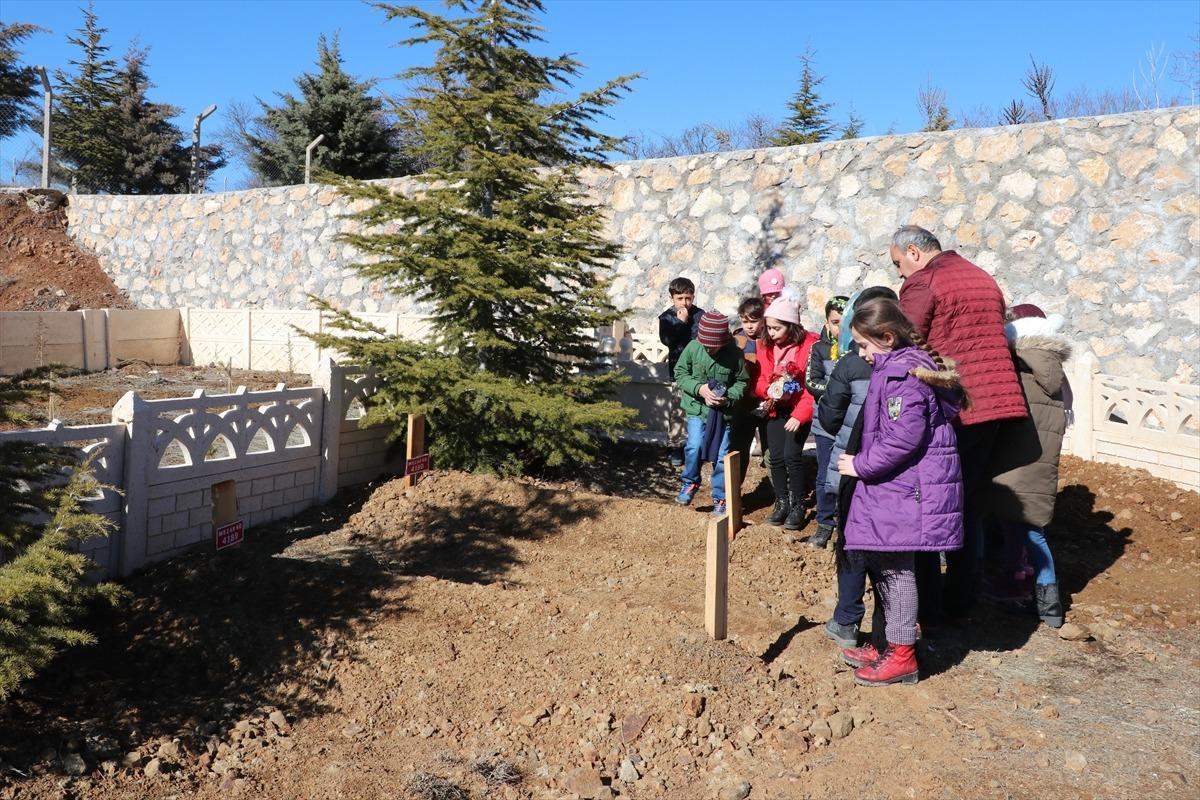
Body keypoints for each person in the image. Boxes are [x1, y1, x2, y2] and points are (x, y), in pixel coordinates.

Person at [893, 225, 1027, 622]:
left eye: (898, 263)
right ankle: (963, 596)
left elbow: (903, 341)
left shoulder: (925, 281)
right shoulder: (981, 276)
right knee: (969, 503)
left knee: (933, 502)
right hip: (996, 403)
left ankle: (933, 605)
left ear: (914, 252)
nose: (899, 273)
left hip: (957, 406)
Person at [836, 297, 964, 686]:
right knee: (886, 567)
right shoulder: (896, 369)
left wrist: (860, 465)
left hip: (906, 492)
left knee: (896, 572)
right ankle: (888, 644)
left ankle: (902, 654)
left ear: (887, 338)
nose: (861, 353)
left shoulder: (903, 378)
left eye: (864, 345)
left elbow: (902, 439)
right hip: (900, 489)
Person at [817, 286, 897, 649]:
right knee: (890, 554)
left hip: (852, 468)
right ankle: (889, 630)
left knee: (851, 545)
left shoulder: (850, 363)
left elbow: (829, 418)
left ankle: (847, 621)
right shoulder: (908, 362)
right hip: (892, 474)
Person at [986, 304, 1071, 628]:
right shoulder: (1053, 374)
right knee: (1027, 528)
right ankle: (1048, 604)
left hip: (1013, 462)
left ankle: (1030, 593)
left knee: (1022, 528)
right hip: (1039, 466)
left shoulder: (1018, 371)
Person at [673, 311, 749, 517]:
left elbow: (742, 382)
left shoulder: (735, 354)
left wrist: (728, 397)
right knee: (694, 446)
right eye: (705, 345)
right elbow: (680, 373)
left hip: (723, 414)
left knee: (722, 456)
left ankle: (720, 497)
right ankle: (690, 482)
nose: (708, 348)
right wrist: (699, 388)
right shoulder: (693, 347)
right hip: (697, 409)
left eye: (712, 346)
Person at [754, 287, 818, 531]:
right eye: (769, 327)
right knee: (776, 457)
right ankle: (781, 502)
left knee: (792, 455)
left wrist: (800, 415)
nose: (771, 333)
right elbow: (761, 378)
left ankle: (798, 504)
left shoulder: (808, 346)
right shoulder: (766, 346)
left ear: (791, 325)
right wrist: (767, 390)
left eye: (777, 328)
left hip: (797, 409)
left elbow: (810, 387)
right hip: (775, 408)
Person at [804, 295, 849, 548]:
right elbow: (812, 382)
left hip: (850, 426)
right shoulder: (819, 349)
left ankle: (845, 522)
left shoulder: (858, 350)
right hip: (825, 425)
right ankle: (824, 522)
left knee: (847, 473)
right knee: (824, 474)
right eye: (835, 322)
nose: (840, 328)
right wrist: (841, 389)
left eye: (845, 322)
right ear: (826, 323)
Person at [660, 277, 706, 467]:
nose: (685, 303)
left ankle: (696, 447)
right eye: (680, 298)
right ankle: (675, 446)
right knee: (678, 410)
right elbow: (668, 340)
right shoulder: (666, 318)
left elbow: (700, 339)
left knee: (698, 410)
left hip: (699, 371)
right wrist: (680, 322)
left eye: (688, 298)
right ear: (672, 298)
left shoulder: (700, 315)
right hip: (679, 372)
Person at [729, 296, 767, 491]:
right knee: (738, 449)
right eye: (745, 321)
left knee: (771, 453)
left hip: (768, 404)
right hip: (743, 405)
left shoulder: (771, 339)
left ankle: (779, 495)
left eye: (754, 321)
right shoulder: (736, 341)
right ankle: (732, 494)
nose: (749, 326)